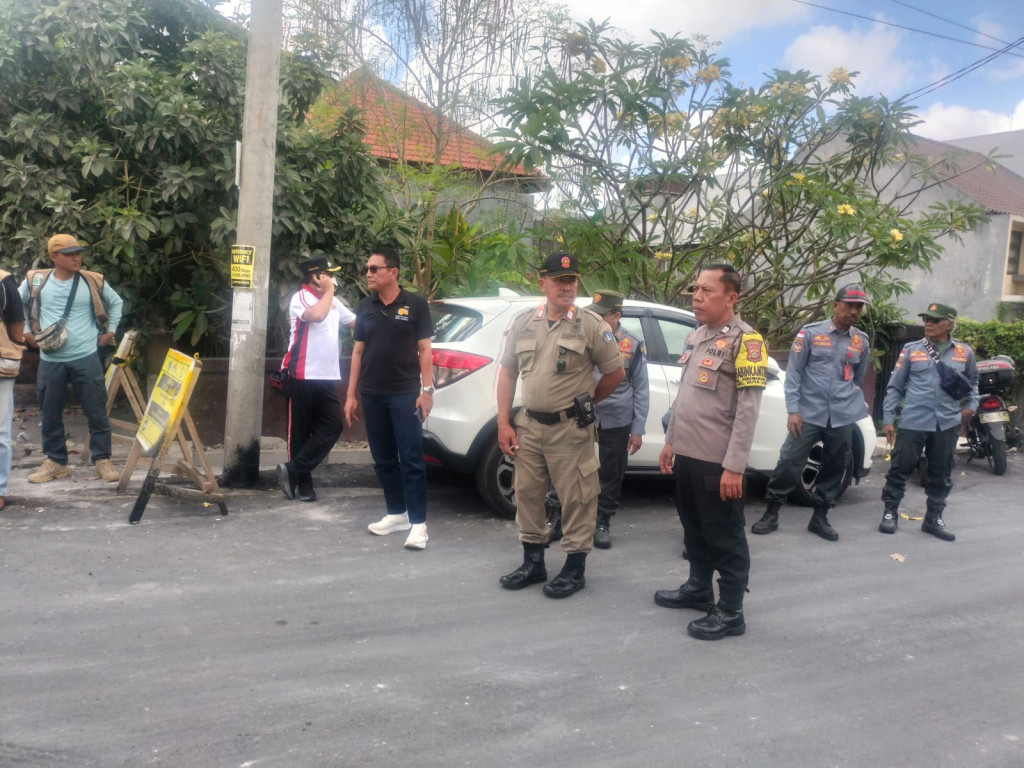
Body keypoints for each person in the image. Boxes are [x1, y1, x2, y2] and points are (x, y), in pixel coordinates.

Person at [495, 252, 624, 598]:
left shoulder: (591, 326)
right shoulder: (524, 322)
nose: (567, 286)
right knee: (527, 494)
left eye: (572, 280)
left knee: (578, 498)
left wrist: (588, 402)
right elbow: (507, 372)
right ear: (543, 284)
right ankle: (533, 562)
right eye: (559, 280)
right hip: (529, 427)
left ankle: (574, 569)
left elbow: (616, 372)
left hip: (571, 429)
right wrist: (503, 422)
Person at [653, 263, 766, 640]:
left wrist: (734, 467)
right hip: (688, 454)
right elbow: (687, 397)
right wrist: (672, 442)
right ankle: (699, 588)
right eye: (695, 289)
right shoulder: (698, 335)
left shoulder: (747, 342)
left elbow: (748, 411)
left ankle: (731, 610)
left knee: (725, 535)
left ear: (731, 297)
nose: (696, 297)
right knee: (694, 529)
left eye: (706, 290)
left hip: (718, 463)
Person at [749, 284, 871, 541]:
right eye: (849, 304)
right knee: (789, 463)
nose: (853, 311)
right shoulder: (810, 333)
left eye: (858, 306)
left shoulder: (861, 341)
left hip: (841, 415)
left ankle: (820, 517)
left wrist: (846, 403)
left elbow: (857, 379)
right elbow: (793, 374)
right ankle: (771, 513)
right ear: (835, 304)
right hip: (808, 413)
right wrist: (793, 410)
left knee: (835, 467)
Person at [344, 246, 434, 550]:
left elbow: (425, 350)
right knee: (383, 458)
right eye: (367, 268)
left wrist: (427, 391)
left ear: (392, 272)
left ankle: (419, 524)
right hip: (372, 393)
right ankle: (397, 513)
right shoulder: (364, 306)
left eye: (374, 269)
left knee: (410, 458)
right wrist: (351, 395)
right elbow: (358, 352)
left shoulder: (416, 304)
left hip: (405, 393)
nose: (368, 273)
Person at [544, 289, 649, 549]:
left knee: (611, 473)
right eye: (594, 313)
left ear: (617, 315)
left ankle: (602, 522)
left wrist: (637, 429)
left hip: (616, 416)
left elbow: (641, 388)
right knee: (566, 467)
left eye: (603, 315)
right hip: (579, 413)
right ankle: (555, 518)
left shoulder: (631, 344)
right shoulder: (580, 335)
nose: (597, 318)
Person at [20, 234, 123, 484]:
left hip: (85, 357)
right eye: (70, 254)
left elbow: (116, 302)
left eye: (78, 253)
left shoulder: (92, 281)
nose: (77, 258)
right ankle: (56, 462)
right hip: (50, 359)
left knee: (96, 410)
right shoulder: (36, 281)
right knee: (50, 413)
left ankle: (102, 460)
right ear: (53, 257)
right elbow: (17, 304)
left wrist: (110, 331)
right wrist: (25, 330)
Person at [878, 303, 978, 541]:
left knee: (941, 472)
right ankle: (890, 512)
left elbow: (973, 384)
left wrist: (971, 408)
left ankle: (933, 518)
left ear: (949, 324)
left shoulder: (965, 352)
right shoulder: (911, 349)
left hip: (946, 423)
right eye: (926, 320)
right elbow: (895, 387)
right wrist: (889, 419)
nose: (928, 324)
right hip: (914, 420)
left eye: (935, 320)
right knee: (899, 468)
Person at [276, 256, 355, 503]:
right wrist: (329, 291)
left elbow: (356, 323)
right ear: (316, 276)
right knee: (300, 433)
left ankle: (293, 469)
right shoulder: (301, 298)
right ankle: (304, 484)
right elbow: (317, 316)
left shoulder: (332, 301)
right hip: (301, 374)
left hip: (327, 376)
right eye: (328, 274)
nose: (333, 279)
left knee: (333, 425)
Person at [0, 268, 26, 509]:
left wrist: (14, 347)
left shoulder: (3, 280)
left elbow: (17, 320)